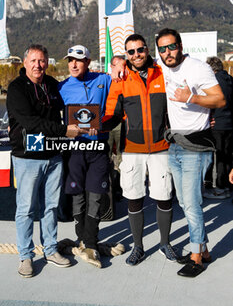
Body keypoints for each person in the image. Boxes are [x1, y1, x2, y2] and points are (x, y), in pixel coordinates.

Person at [6, 44, 83, 278]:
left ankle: (50, 249)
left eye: (42, 61)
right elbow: (31, 123)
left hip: (53, 156)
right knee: (26, 209)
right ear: (25, 62)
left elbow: (68, 101)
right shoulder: (17, 88)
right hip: (27, 157)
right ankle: (26, 256)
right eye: (34, 61)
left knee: (50, 206)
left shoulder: (51, 85)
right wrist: (64, 130)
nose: (38, 65)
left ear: (47, 63)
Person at [102, 34, 178, 266]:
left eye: (140, 50)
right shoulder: (121, 79)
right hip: (132, 149)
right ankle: (139, 247)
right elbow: (111, 113)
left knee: (164, 198)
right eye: (131, 52)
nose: (136, 55)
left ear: (147, 50)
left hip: (161, 148)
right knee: (134, 199)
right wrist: (90, 126)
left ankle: (165, 243)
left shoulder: (163, 73)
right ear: (126, 55)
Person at [155, 28, 225, 277]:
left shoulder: (198, 68)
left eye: (171, 46)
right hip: (175, 144)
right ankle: (203, 249)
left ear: (180, 45)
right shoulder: (163, 67)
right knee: (184, 202)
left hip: (196, 146)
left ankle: (197, 257)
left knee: (192, 204)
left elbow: (219, 100)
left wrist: (192, 97)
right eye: (162, 49)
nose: (167, 52)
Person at [58, 45, 111, 268]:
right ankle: (85, 239)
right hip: (74, 149)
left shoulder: (103, 80)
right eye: (70, 60)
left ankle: (90, 242)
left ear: (88, 62)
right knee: (77, 195)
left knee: (96, 196)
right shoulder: (61, 87)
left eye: (78, 60)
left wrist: (119, 66)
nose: (73, 64)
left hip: (98, 148)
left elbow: (120, 85)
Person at [203, 57, 233, 199]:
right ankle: (227, 185)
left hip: (218, 124)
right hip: (229, 124)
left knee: (217, 157)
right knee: (227, 156)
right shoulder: (230, 79)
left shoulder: (214, 82)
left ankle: (220, 188)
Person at [108, 55, 125, 201]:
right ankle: (108, 187)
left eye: (122, 64)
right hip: (106, 124)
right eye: (116, 65)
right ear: (111, 66)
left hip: (121, 123)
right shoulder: (106, 80)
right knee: (106, 157)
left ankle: (119, 188)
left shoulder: (127, 80)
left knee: (120, 157)